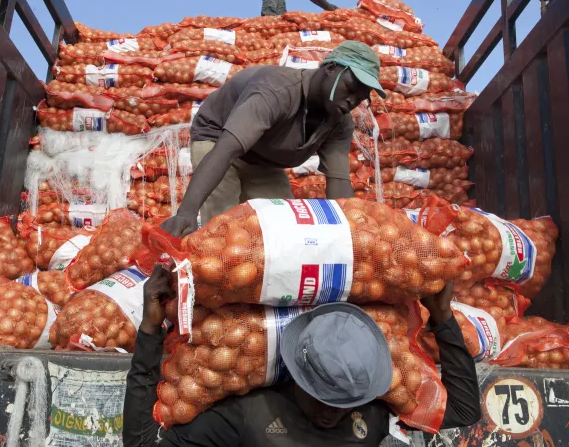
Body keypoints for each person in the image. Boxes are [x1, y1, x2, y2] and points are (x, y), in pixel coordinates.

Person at [123, 268, 481, 446]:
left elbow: (463, 411)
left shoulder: (371, 411)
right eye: (322, 397)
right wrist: (150, 332)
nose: (332, 412)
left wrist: (443, 318)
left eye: (343, 402)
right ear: (296, 372)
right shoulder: (248, 417)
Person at [160, 41, 387, 238]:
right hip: (218, 139)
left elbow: (338, 183)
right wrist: (186, 213)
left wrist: (351, 234)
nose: (353, 100)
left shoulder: (339, 121)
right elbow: (225, 150)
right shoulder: (277, 91)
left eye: (362, 96)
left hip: (263, 158)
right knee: (224, 228)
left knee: (284, 226)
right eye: (351, 87)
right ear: (329, 69)